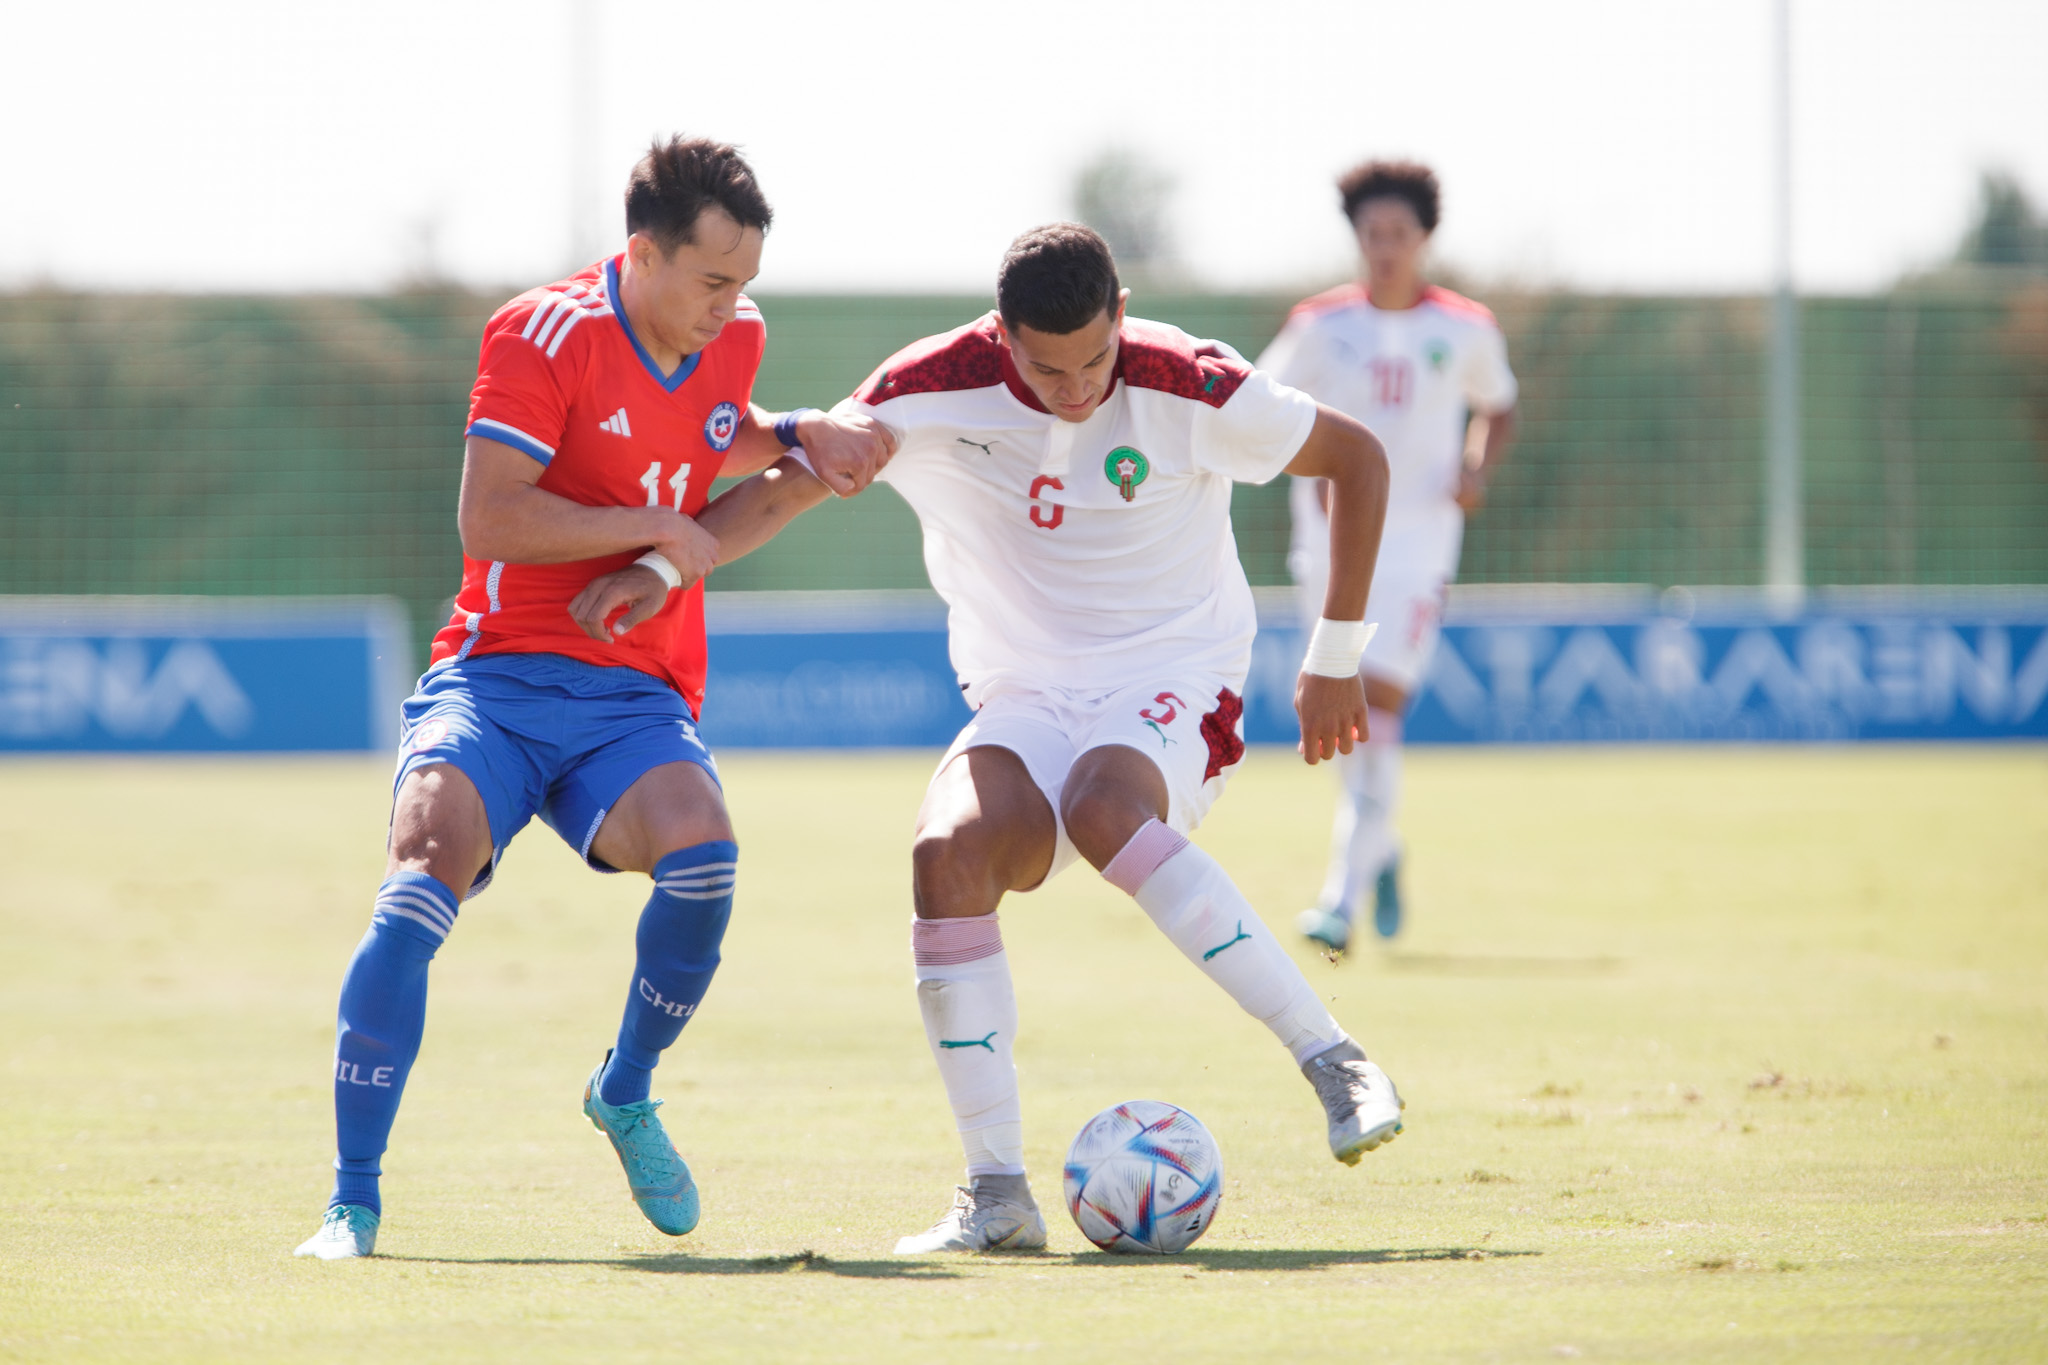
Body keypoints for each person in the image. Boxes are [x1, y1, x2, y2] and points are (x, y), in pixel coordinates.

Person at [641, 222, 1401, 1253]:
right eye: (1045, 368)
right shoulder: (925, 387)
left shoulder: (1193, 384)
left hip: (1173, 675)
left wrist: (1337, 653)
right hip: (1022, 692)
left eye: (1094, 357)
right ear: (1000, 335)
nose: (1076, 387)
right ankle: (994, 1195)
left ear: (1120, 314)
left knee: (1101, 810)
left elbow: (1355, 458)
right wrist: (656, 573)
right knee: (944, 855)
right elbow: (789, 485)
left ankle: (1332, 1058)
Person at [293, 135, 892, 1260]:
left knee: (705, 854)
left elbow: (717, 437)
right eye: (711, 281)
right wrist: (654, 528)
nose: (730, 309)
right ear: (643, 255)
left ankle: (624, 1089)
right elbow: (491, 518)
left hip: (635, 693)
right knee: (422, 875)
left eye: (744, 284)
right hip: (497, 677)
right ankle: (353, 1202)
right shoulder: (540, 332)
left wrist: (800, 434)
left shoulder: (735, 337)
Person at [1257, 160, 1519, 951]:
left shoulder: (1465, 327)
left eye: (1399, 234)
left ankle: (1339, 897)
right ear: (1357, 238)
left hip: (1417, 545)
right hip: (1329, 547)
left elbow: (1498, 405)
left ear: (1424, 238)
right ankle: (1383, 851)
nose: (1385, 248)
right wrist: (1316, 470)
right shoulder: (1320, 325)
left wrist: (1476, 469)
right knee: (1343, 718)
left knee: (1378, 708)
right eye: (1372, 234)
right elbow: (1262, 410)